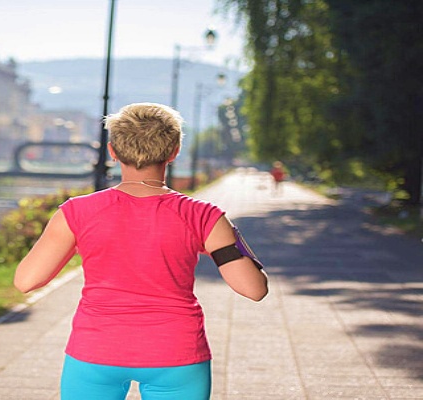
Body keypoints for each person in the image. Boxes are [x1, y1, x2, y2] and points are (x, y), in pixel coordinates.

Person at [14, 103, 268, 400]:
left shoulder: (76, 213)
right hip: (176, 353)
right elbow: (253, 289)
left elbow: (26, 280)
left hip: (96, 351)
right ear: (174, 151)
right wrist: (228, 234)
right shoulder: (204, 216)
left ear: (112, 151)